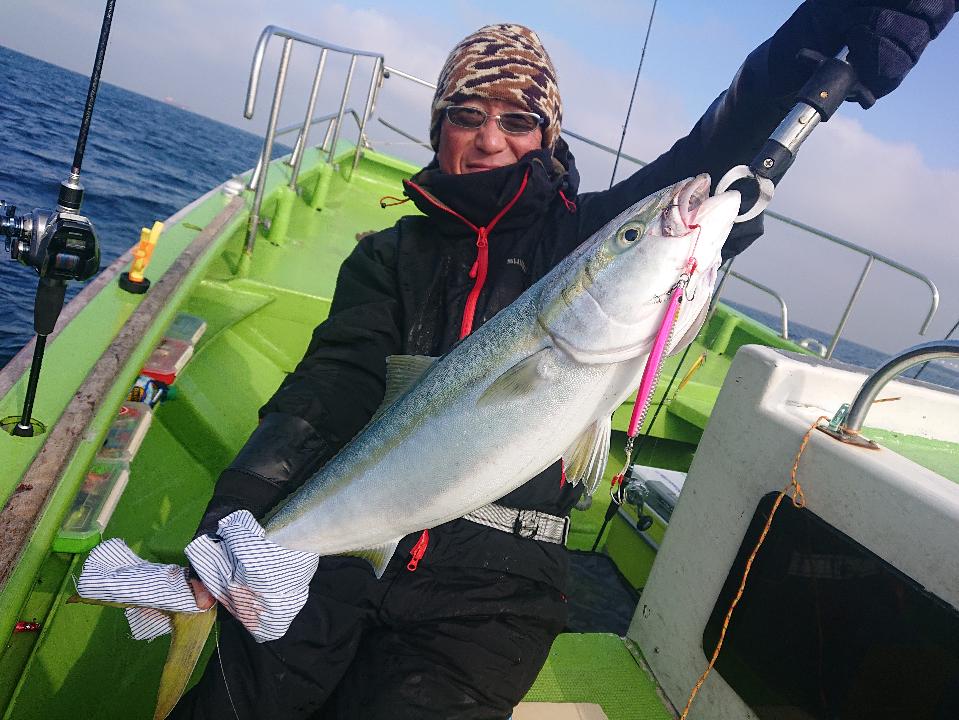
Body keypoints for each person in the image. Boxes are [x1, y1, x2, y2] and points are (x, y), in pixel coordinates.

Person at [173, 2, 955, 718]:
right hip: (347, 545)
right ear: (437, 130)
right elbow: (326, 391)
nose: (489, 139)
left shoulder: (586, 235)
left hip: (493, 588)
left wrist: (816, 33)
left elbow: (724, 144)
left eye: (517, 120)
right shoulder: (388, 256)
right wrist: (233, 523)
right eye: (465, 116)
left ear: (546, 137)